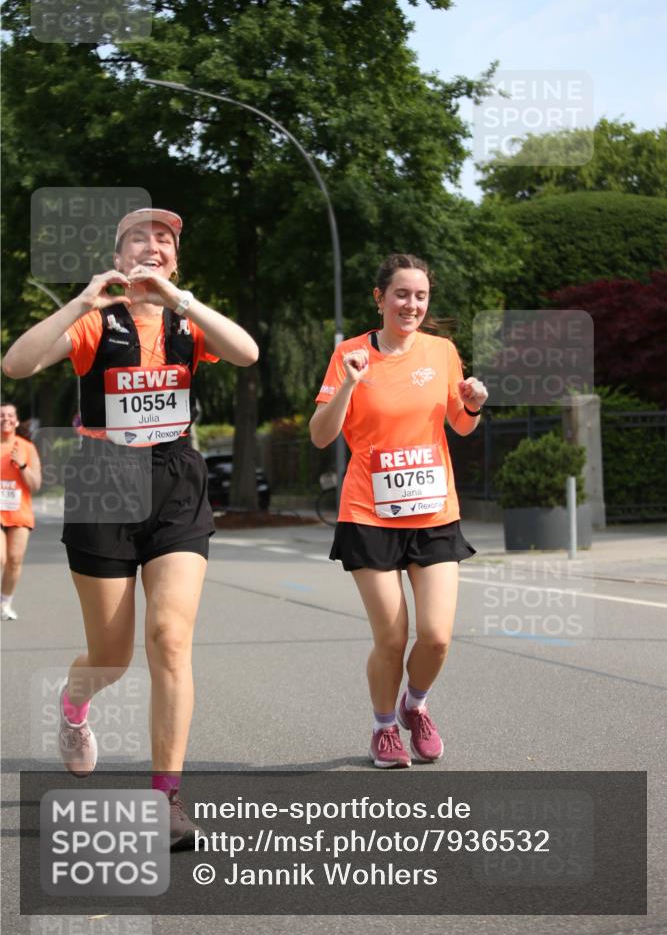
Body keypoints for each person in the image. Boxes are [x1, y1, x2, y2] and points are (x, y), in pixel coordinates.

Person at [2, 208, 258, 846]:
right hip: (103, 477)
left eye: (165, 238)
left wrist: (183, 301)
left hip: (175, 476)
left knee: (170, 639)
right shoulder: (95, 320)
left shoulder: (186, 320)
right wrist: (82, 299)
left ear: (176, 259)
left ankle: (167, 797)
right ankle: (74, 702)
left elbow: (247, 351)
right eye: (139, 238)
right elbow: (17, 364)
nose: (153, 245)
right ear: (119, 257)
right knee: (112, 655)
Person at [310, 254, 487, 768]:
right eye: (402, 294)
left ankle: (416, 704)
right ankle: (384, 727)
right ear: (380, 298)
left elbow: (461, 425)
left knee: (435, 637)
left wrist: (473, 402)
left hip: (433, 513)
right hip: (369, 513)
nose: (412, 305)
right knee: (391, 636)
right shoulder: (350, 353)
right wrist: (348, 382)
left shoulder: (443, 351)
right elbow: (322, 435)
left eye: (421, 296)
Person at [1, 403, 42, 620]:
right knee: (0, 558)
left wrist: (23, 465)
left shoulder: (27, 448)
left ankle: (4, 604)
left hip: (19, 512)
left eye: (9, 415)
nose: (5, 419)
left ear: (16, 421)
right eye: (1, 415)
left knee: (15, 560)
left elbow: (35, 485)